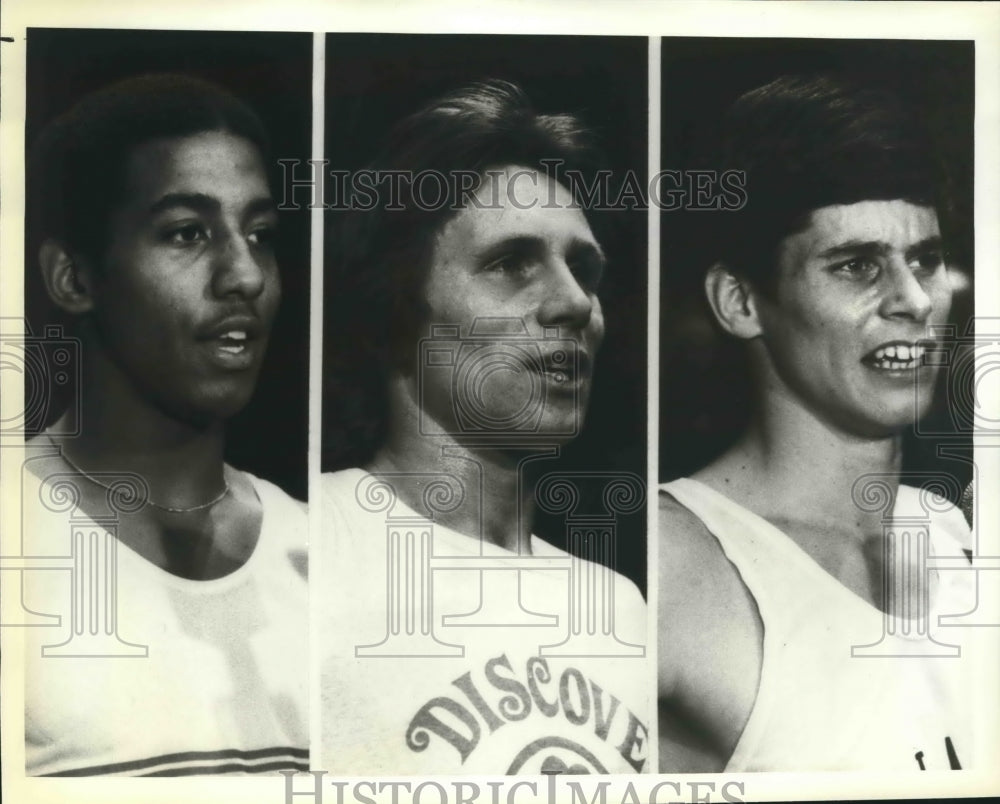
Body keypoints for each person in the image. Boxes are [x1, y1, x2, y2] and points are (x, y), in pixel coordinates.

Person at [320, 80, 649, 775]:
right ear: (394, 312)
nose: (572, 302)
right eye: (509, 264)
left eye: (583, 269)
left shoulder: (618, 607)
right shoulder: (308, 550)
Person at [657, 74, 978, 772]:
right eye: (859, 266)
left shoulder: (952, 531)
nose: (916, 300)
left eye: (925, 260)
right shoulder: (674, 563)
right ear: (741, 302)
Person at [21, 74, 308, 776]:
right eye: (187, 232)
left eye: (261, 234)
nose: (244, 275)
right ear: (74, 279)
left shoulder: (321, 550)